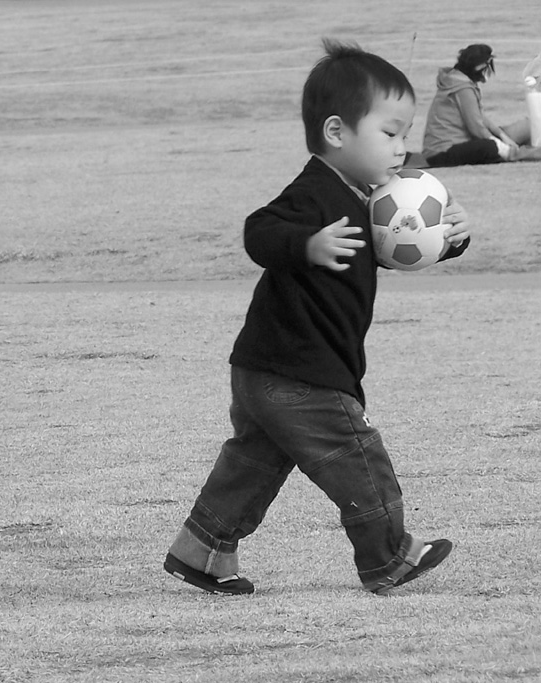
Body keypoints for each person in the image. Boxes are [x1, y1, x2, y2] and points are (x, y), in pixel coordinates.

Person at [163, 40, 470, 596]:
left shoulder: (365, 198)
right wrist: (307, 244)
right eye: (390, 133)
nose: (402, 147)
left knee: (255, 462)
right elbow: (259, 231)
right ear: (336, 132)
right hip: (301, 369)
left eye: (405, 134)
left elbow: (386, 250)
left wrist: (448, 241)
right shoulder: (314, 194)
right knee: (358, 457)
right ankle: (389, 556)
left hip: (268, 367)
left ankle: (201, 550)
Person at [419, 43, 541, 166]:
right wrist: (502, 143)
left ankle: (516, 148)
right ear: (480, 67)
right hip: (444, 152)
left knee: (527, 126)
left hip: (467, 141)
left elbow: (480, 117)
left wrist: (502, 135)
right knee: (490, 147)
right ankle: (520, 153)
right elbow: (476, 128)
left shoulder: (462, 81)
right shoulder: (462, 88)